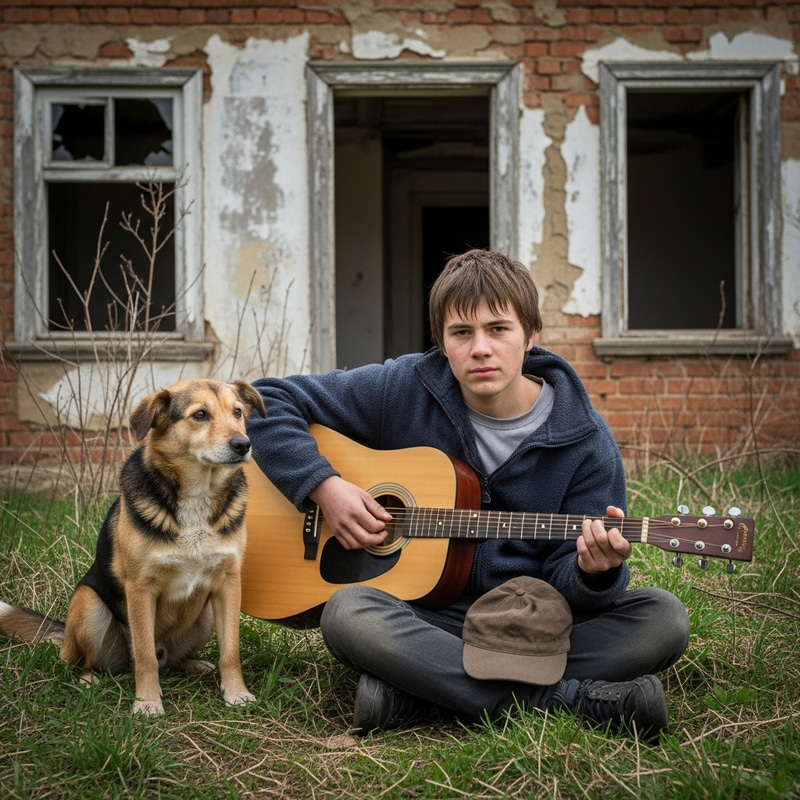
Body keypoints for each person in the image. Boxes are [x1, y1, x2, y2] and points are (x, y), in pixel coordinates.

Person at [247, 249, 690, 741]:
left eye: (498, 329)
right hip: (425, 617)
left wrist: (592, 570)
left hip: (529, 626)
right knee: (348, 612)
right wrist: (323, 487)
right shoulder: (404, 386)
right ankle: (567, 700)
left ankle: (415, 692)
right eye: (461, 333)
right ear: (442, 342)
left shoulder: (585, 442)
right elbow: (264, 401)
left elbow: (573, 591)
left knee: (662, 618)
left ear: (530, 337)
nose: (480, 348)